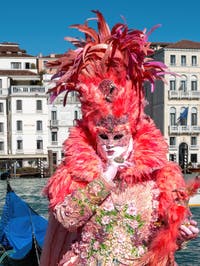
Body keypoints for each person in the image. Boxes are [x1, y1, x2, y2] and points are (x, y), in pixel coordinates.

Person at [40, 11, 199, 266]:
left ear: (133, 130)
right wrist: (105, 177)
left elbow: (164, 237)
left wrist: (179, 234)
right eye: (104, 136)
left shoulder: (161, 175)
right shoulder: (74, 173)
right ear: (93, 133)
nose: (111, 144)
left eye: (118, 136)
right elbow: (68, 219)